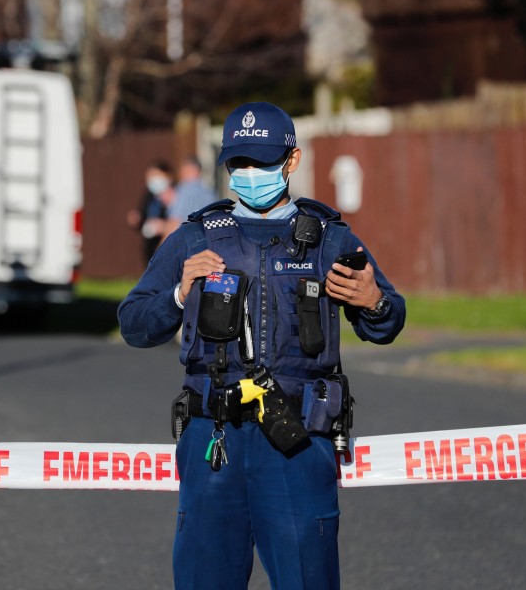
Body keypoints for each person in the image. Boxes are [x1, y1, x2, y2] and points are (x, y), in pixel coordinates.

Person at [118, 102, 406, 590]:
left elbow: (386, 321)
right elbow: (134, 323)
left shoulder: (330, 240)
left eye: (262, 163)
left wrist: (377, 303)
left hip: (297, 444)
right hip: (214, 442)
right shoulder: (193, 238)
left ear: (291, 162)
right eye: (239, 163)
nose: (249, 173)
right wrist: (177, 294)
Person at [127, 161, 174, 266]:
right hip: (151, 244)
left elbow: (181, 219)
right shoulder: (149, 195)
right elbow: (143, 215)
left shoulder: (177, 195)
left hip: (169, 244)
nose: (153, 180)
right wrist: (137, 220)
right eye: (150, 177)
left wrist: (165, 226)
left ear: (168, 175)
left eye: (155, 175)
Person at [163, 156, 217, 239]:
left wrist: (162, 249)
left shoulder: (184, 189)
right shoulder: (209, 191)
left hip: (186, 241)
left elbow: (174, 222)